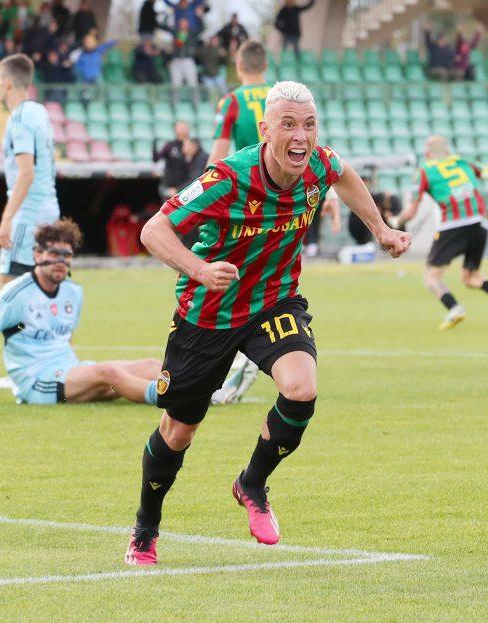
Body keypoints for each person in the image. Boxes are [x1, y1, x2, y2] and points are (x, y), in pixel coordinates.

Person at [123, 81, 411, 565]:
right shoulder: (227, 179)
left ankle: (252, 483)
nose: (302, 137)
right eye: (289, 125)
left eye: (309, 125)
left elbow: (345, 175)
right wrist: (197, 269)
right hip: (208, 314)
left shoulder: (319, 161)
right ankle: (145, 529)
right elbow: (154, 230)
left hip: (274, 302)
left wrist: (380, 230)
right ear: (265, 129)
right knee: (179, 431)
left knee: (301, 388)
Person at [0, 220, 163, 409]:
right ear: (37, 255)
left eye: (67, 255)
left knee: (151, 366)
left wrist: (80, 373)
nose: (61, 261)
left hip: (69, 372)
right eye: (54, 253)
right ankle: (169, 399)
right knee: (109, 374)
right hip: (36, 382)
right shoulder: (15, 294)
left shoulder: (73, 292)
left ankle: (192, 388)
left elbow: (66, 340)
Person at [394, 135, 488, 330]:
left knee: (431, 277)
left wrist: (395, 221)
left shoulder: (424, 170)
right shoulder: (462, 161)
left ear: (427, 153)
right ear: (446, 150)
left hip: (453, 224)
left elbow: (411, 211)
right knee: (469, 276)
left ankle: (454, 308)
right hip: (480, 222)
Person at [206, 39, 270, 405]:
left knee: (233, 280)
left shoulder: (232, 100)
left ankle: (243, 361)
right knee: (260, 276)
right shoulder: (281, 96)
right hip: (286, 196)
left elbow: (218, 152)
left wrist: (206, 192)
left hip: (249, 195)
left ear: (238, 63)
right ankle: (243, 359)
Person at [0, 54, 60, 286]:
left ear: (8, 83)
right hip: (49, 211)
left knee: (8, 298)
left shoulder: (20, 118)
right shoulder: (39, 112)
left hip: (28, 216)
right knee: (40, 297)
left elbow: (26, 173)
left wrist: (7, 218)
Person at [154, 120, 191, 199]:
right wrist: (154, 145)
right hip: (169, 186)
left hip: (186, 187)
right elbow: (156, 159)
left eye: (183, 127)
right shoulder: (170, 145)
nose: (181, 130)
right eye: (179, 127)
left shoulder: (193, 145)